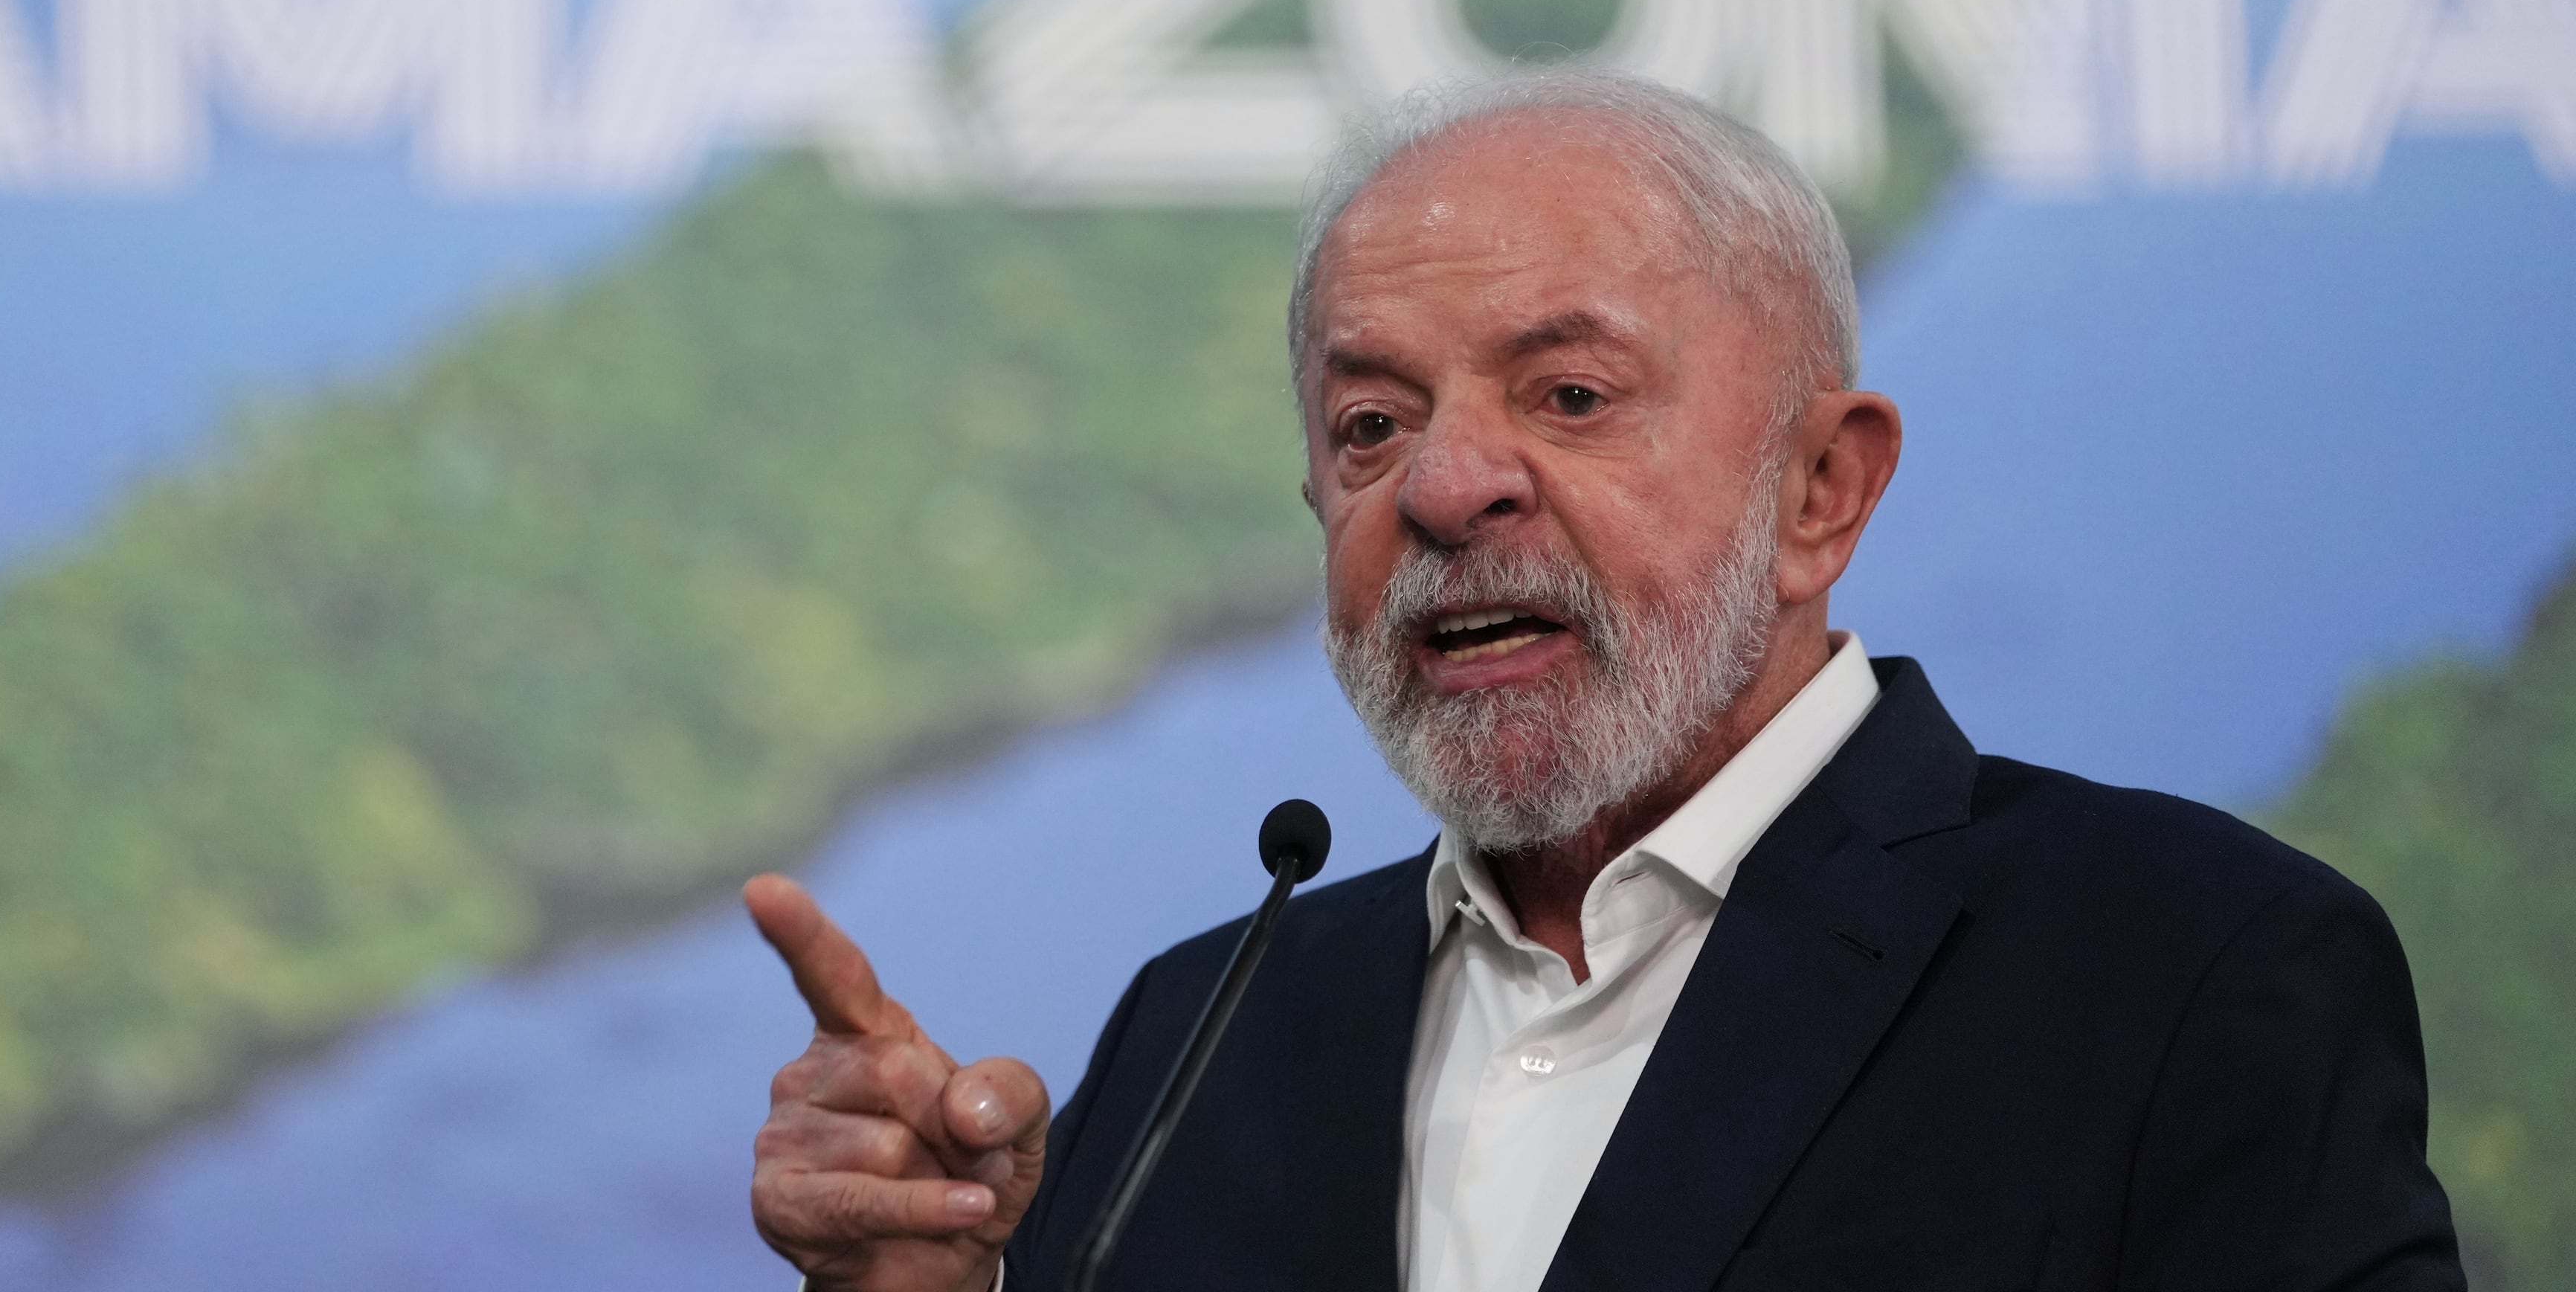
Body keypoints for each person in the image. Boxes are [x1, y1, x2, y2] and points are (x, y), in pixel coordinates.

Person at [742, 71, 2465, 1292]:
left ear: (1821, 491)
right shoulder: (1210, 1028)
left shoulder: (2186, 971)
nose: (1441, 488)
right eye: (1369, 425)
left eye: (1568, 397)